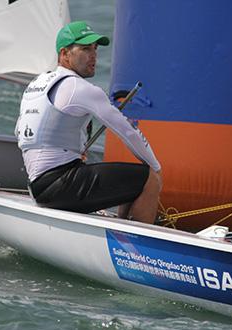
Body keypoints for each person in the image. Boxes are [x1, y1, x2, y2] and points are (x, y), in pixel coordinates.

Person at [14, 21, 162, 224]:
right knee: (149, 179)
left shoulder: (37, 84)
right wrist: (156, 167)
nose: (93, 55)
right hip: (61, 185)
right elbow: (127, 132)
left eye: (95, 49)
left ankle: (123, 229)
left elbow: (21, 133)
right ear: (65, 54)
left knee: (132, 179)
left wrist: (67, 149)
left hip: (38, 187)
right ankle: (138, 250)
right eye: (85, 49)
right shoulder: (80, 88)